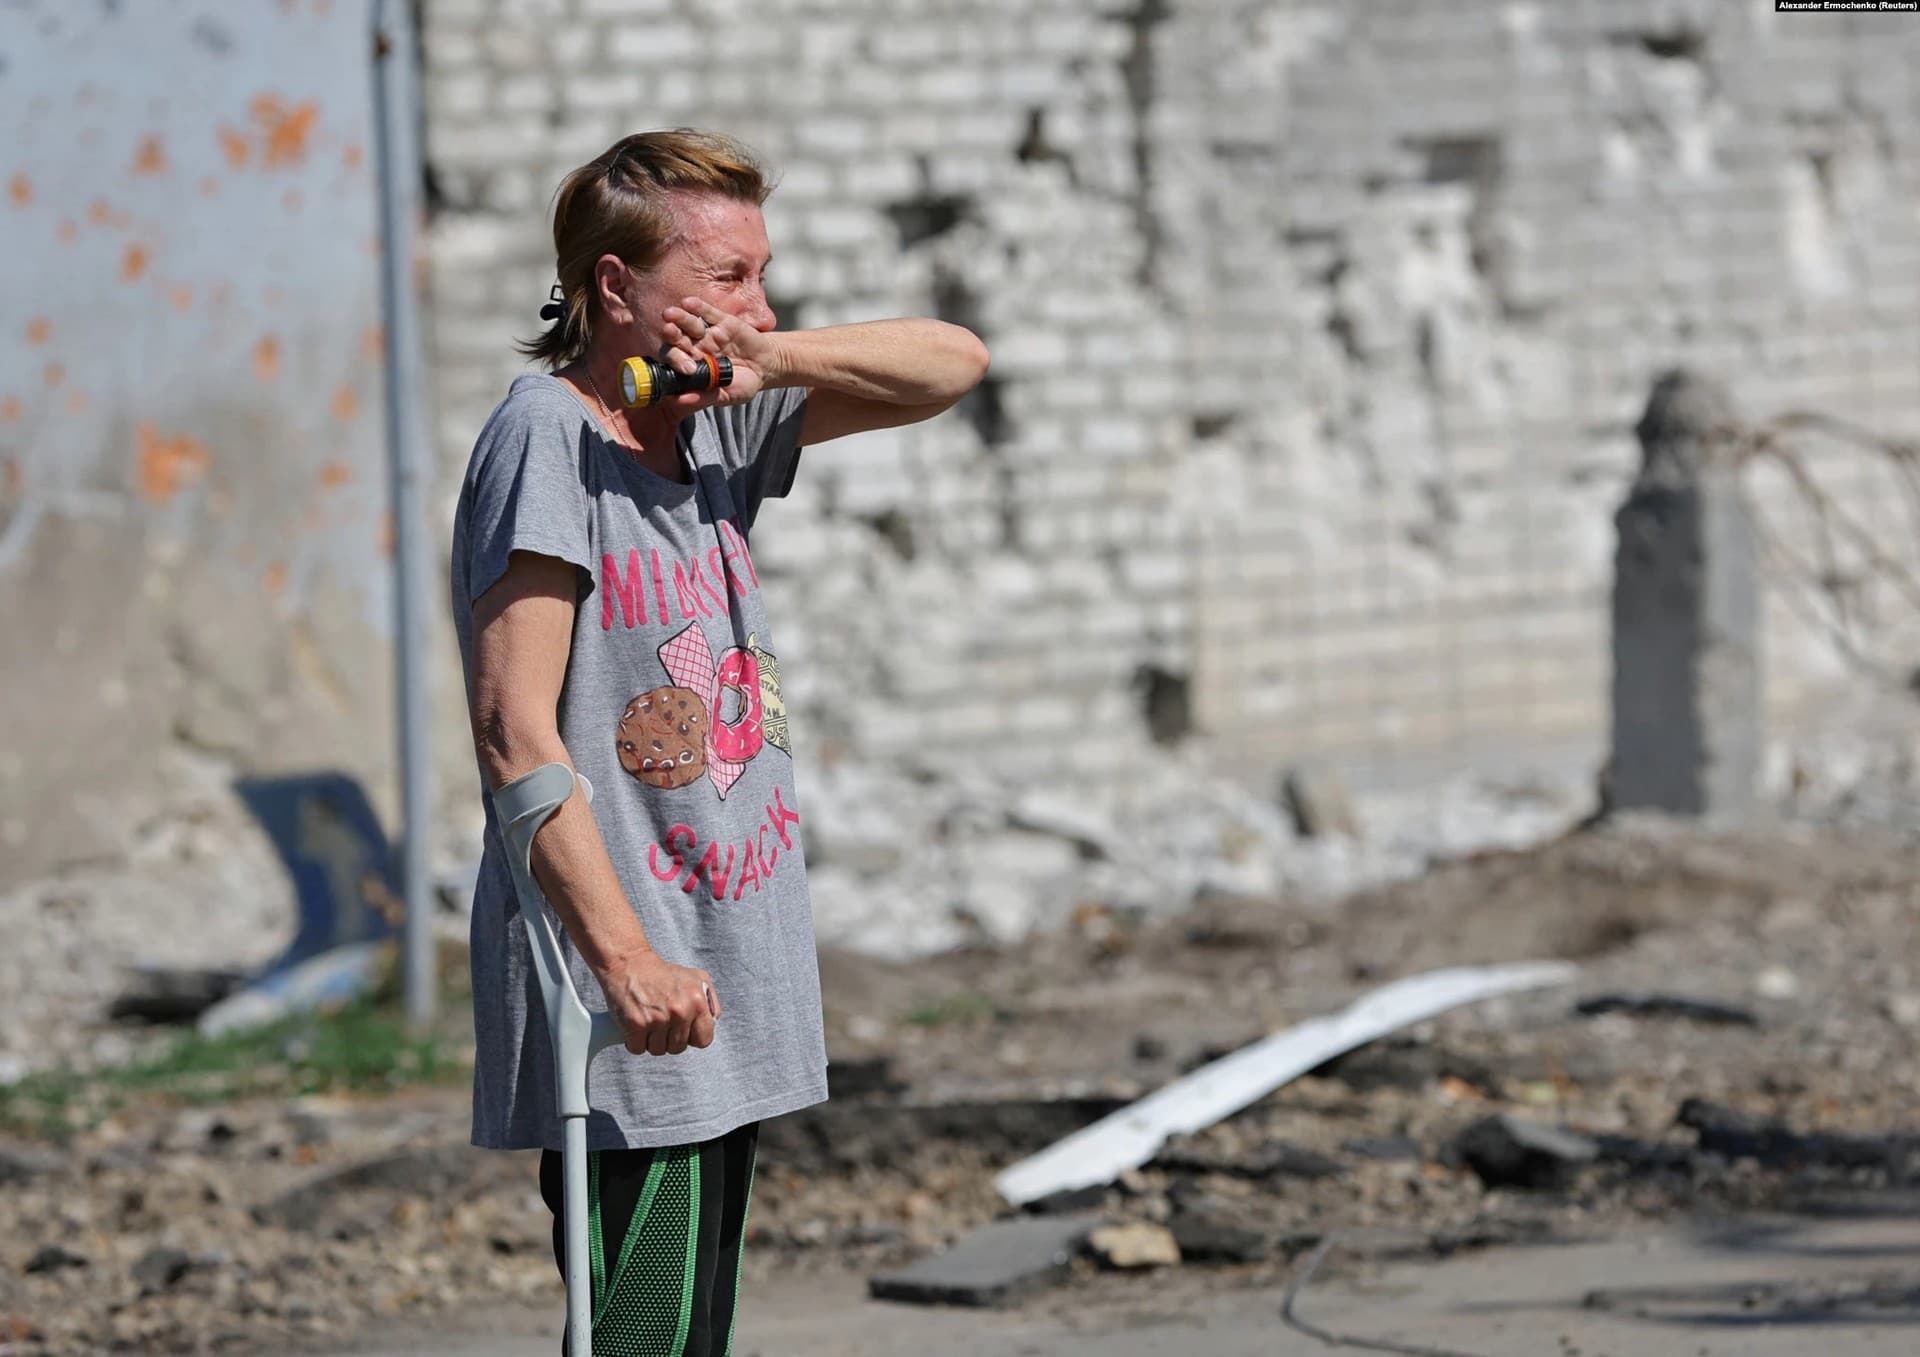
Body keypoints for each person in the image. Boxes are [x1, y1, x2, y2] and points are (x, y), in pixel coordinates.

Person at [449, 129, 990, 1355]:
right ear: (615, 288)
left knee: (692, 1334)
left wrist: (767, 358)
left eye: (764, 272)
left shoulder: (712, 431)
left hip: (725, 972)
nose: (760, 302)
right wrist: (624, 958)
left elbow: (954, 364)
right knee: (642, 1336)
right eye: (727, 279)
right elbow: (510, 724)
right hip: (638, 990)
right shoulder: (548, 438)